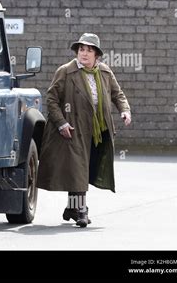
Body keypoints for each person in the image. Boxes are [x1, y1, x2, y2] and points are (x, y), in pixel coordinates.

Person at [37, 33, 131, 228]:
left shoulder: (104, 72)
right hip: (72, 128)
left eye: (89, 50)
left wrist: (125, 110)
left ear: (97, 55)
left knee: (82, 169)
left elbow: (117, 94)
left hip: (98, 129)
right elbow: (51, 99)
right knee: (79, 168)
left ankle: (71, 208)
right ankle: (81, 210)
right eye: (81, 49)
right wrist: (61, 123)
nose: (84, 53)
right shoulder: (66, 71)